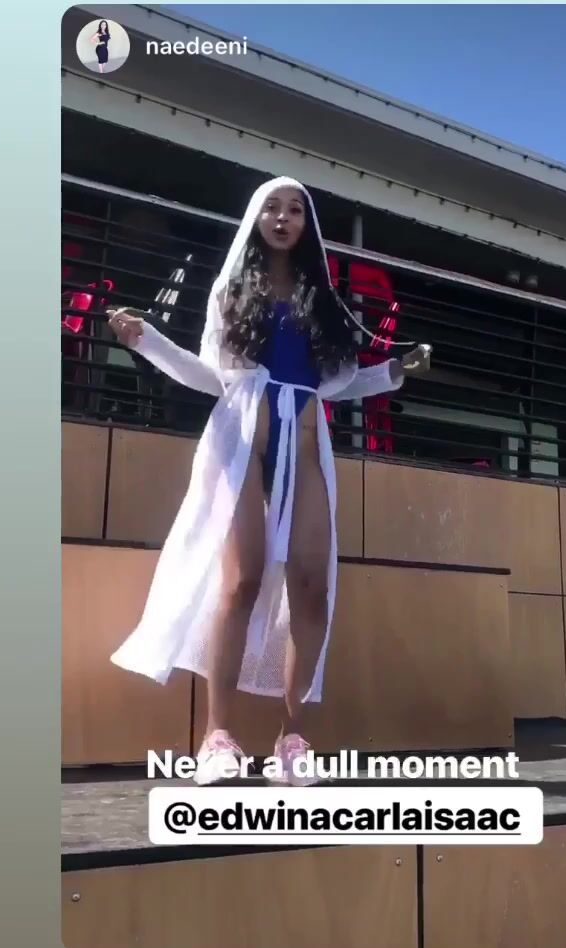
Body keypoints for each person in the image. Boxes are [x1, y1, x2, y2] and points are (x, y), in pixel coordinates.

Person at [106, 176, 430, 786]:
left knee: (312, 587)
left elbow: (333, 385)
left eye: (295, 210)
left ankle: (292, 739)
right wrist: (146, 341)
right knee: (241, 581)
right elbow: (212, 377)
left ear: (308, 225)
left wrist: (392, 371)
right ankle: (217, 737)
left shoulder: (323, 299)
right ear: (256, 218)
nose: (283, 218)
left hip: (305, 449)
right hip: (242, 445)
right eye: (272, 208)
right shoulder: (232, 289)